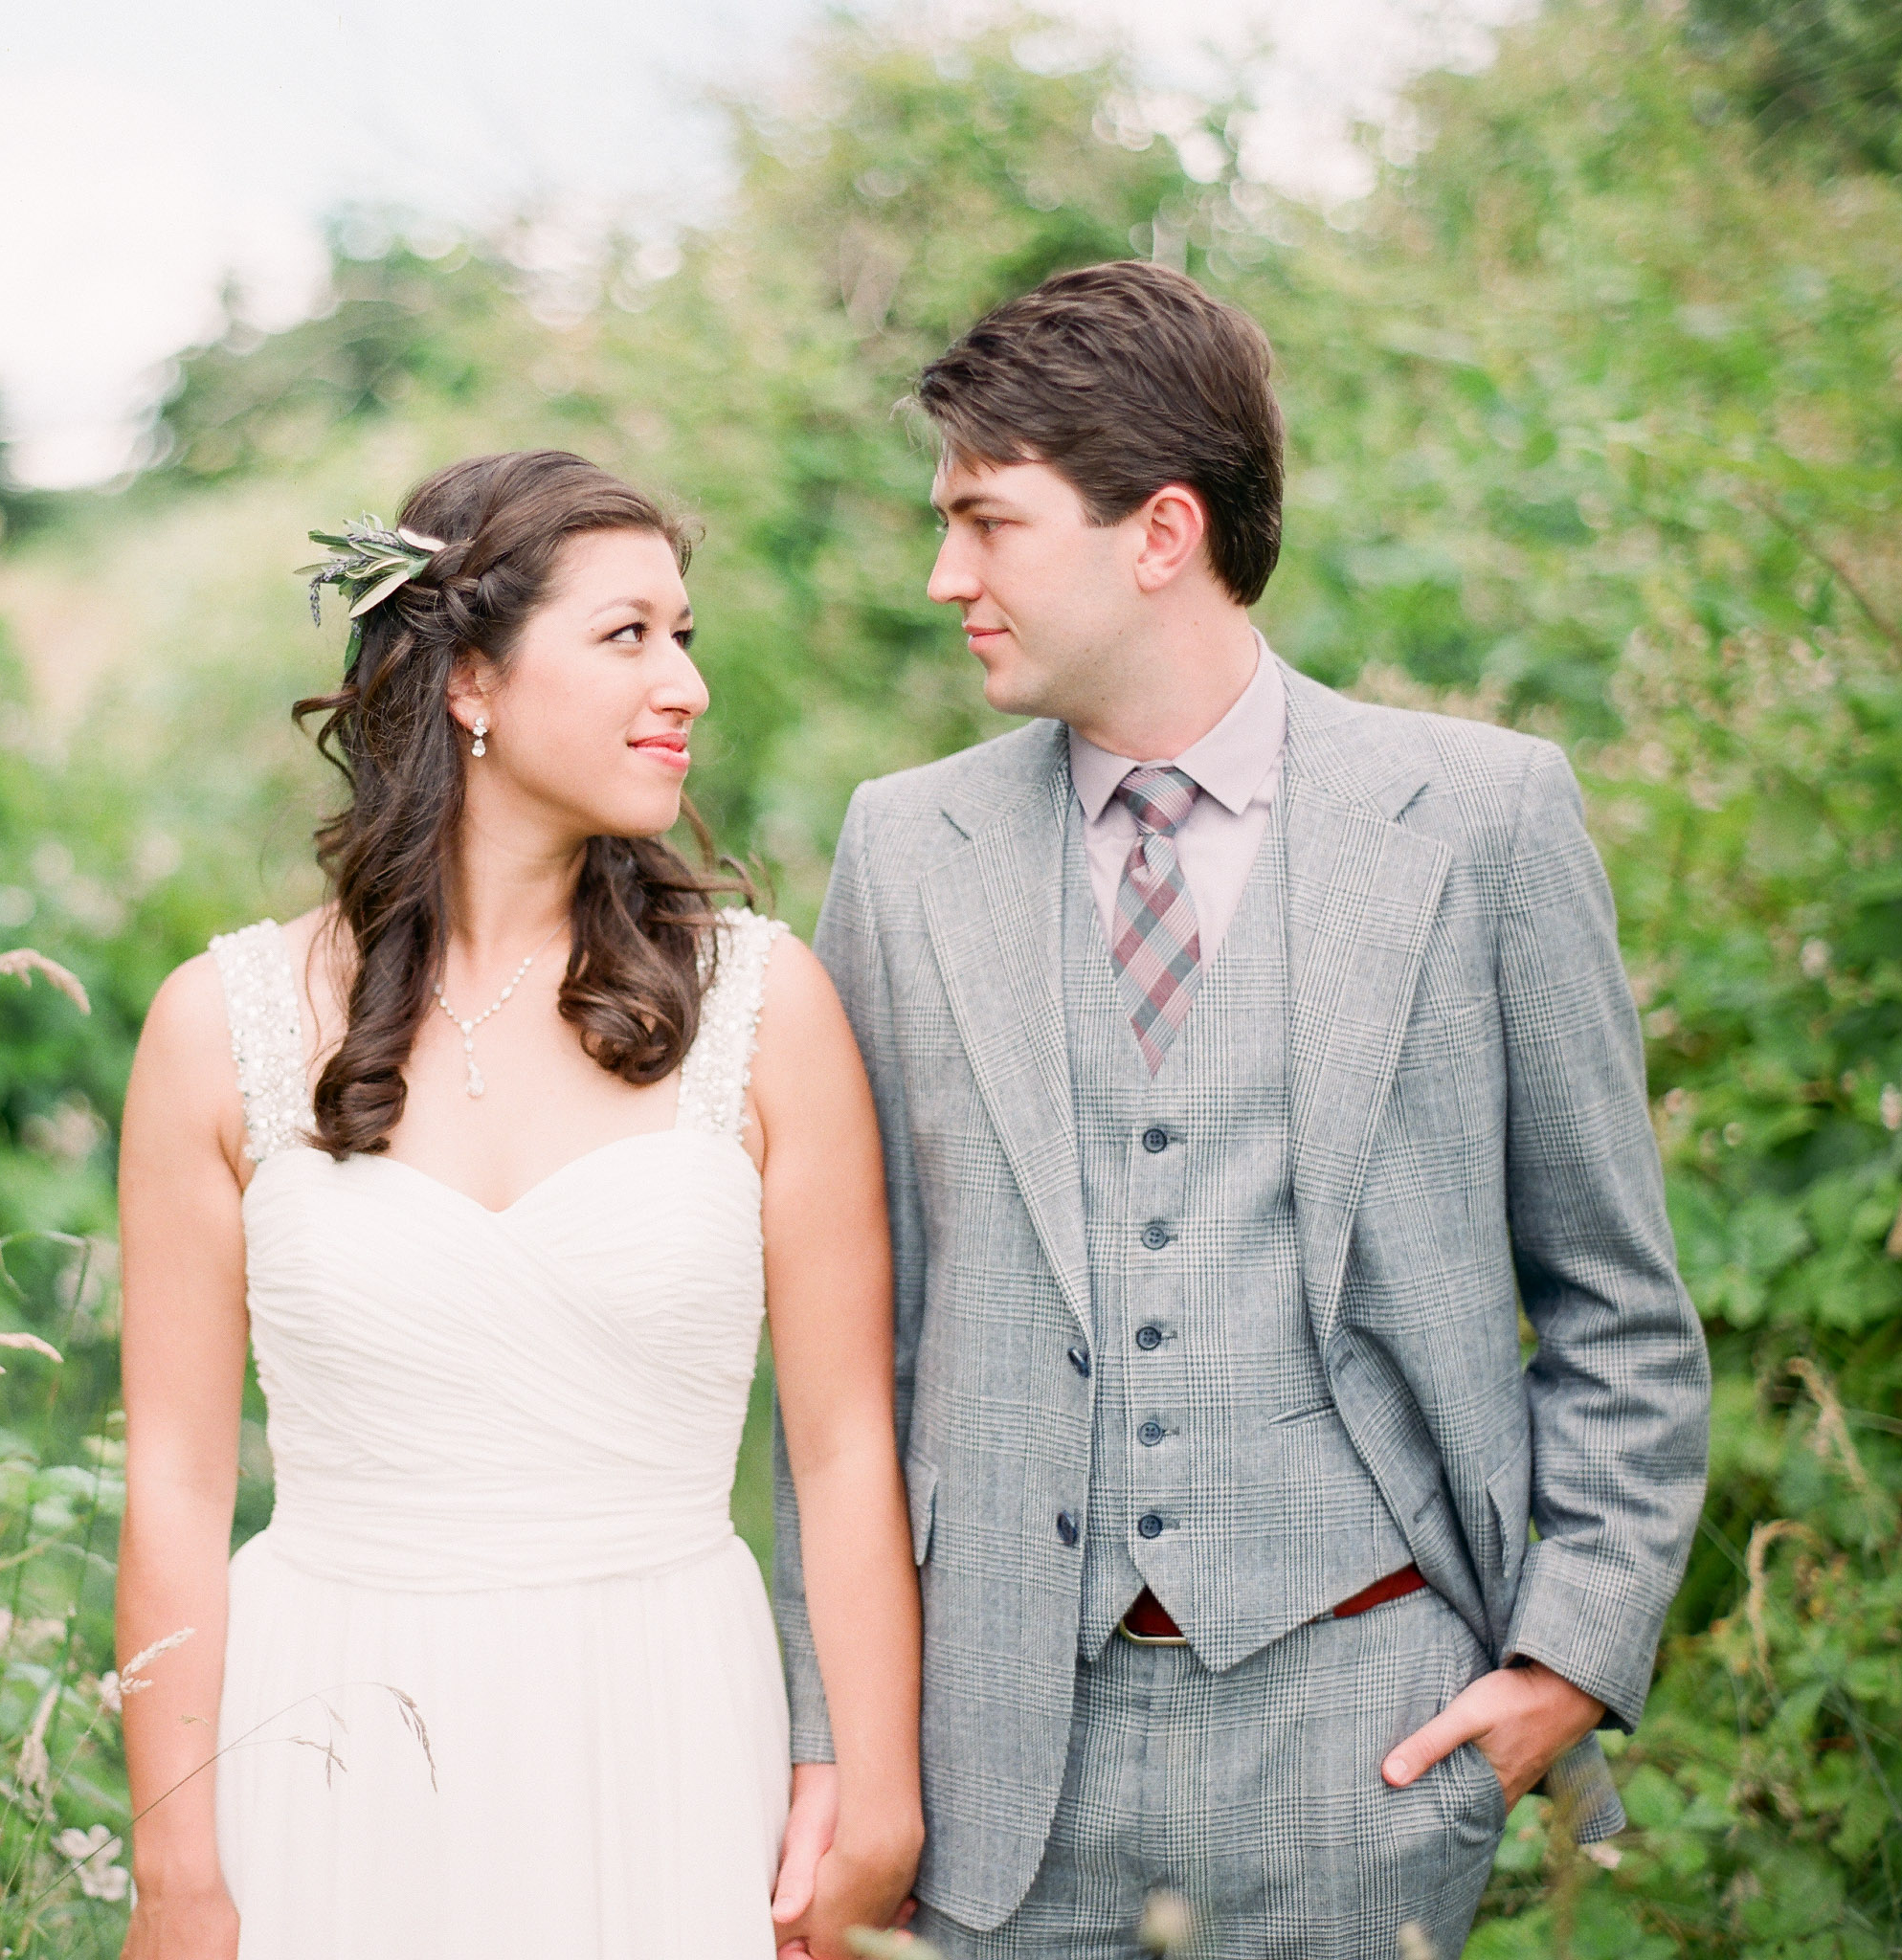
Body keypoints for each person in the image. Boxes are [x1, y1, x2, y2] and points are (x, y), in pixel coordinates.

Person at [769, 264, 1712, 1958]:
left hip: (1366, 1743)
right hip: (993, 1778)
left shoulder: (1483, 821)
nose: (944, 576)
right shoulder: (903, 852)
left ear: (1161, 531)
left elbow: (1618, 1304)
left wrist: (1569, 1658)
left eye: (988, 522)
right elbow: (845, 1364)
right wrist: (837, 1749)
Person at [113, 450, 923, 1959]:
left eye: (687, 636)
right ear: (471, 681)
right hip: (327, 1734)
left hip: (665, 1723)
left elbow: (844, 1440)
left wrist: (871, 1785)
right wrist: (179, 1872)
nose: (683, 681)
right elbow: (173, 1483)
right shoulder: (218, 1026)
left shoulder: (767, 1005)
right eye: (628, 636)